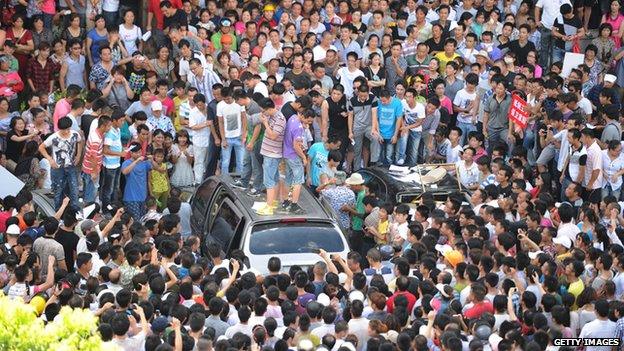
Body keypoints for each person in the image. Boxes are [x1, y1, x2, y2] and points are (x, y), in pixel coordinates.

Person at [38, 116, 82, 211]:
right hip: (58, 168)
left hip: (71, 166)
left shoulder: (75, 134)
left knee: (74, 189)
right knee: (58, 191)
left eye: (67, 129)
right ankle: (58, 212)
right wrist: (50, 159)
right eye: (63, 130)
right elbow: (41, 147)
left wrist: (78, 155)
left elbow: (80, 142)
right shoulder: (54, 137)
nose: (66, 132)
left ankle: (74, 212)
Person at [121, 142, 152, 220]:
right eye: (137, 152)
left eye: (140, 152)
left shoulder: (144, 163)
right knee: (136, 221)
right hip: (131, 198)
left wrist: (151, 159)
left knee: (143, 219)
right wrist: (136, 162)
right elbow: (125, 172)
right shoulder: (126, 162)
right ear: (131, 153)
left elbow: (154, 167)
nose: (139, 154)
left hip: (143, 197)